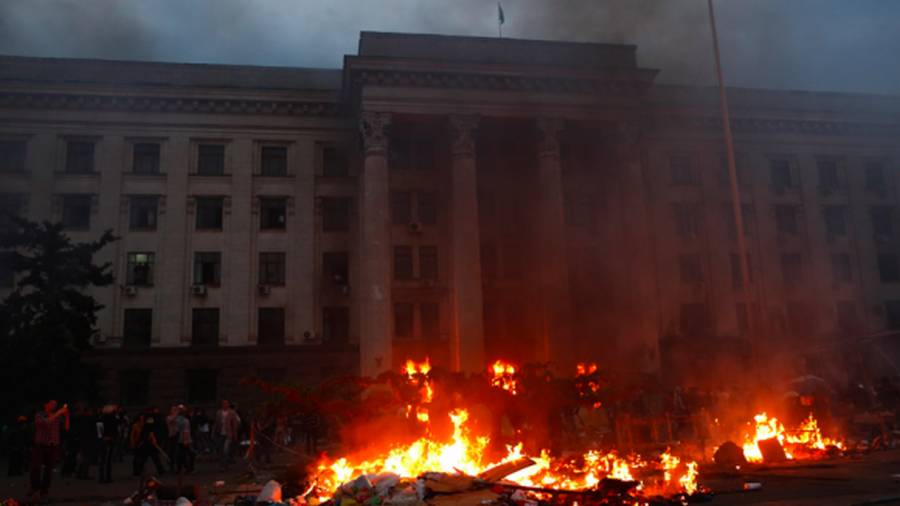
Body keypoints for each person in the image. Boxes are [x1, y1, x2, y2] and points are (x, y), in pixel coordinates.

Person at [29, 400, 69, 502]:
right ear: (46, 404)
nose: (54, 405)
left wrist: (67, 415)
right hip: (40, 444)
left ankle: (44, 492)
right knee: (36, 467)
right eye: (52, 403)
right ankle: (35, 490)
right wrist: (59, 413)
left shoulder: (58, 416)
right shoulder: (40, 414)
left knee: (48, 469)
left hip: (53, 445)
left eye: (55, 404)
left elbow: (66, 427)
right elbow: (46, 422)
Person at [133, 408, 166, 477]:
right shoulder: (150, 419)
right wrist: (152, 438)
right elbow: (149, 429)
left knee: (150, 456)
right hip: (147, 440)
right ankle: (138, 470)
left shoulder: (150, 419)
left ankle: (138, 470)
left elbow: (150, 429)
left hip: (148, 440)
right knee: (148, 456)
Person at [213, 400, 240, 470]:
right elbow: (216, 423)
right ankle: (222, 464)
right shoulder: (219, 412)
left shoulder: (232, 412)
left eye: (226, 404)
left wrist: (235, 434)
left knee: (226, 449)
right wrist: (214, 432)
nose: (224, 405)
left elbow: (234, 424)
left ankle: (225, 465)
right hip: (220, 433)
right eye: (223, 404)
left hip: (228, 433)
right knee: (220, 450)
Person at [97, 404, 118, 483]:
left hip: (104, 439)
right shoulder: (112, 418)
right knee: (107, 459)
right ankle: (107, 477)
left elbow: (99, 429)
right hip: (109, 439)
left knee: (103, 459)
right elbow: (114, 429)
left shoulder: (101, 418)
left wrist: (101, 437)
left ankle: (102, 477)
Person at [173, 405, 194, 474]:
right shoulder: (185, 420)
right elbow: (186, 431)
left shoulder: (177, 419)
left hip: (178, 439)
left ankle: (180, 468)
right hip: (184, 439)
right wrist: (186, 440)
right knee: (189, 454)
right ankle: (188, 468)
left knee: (181, 454)